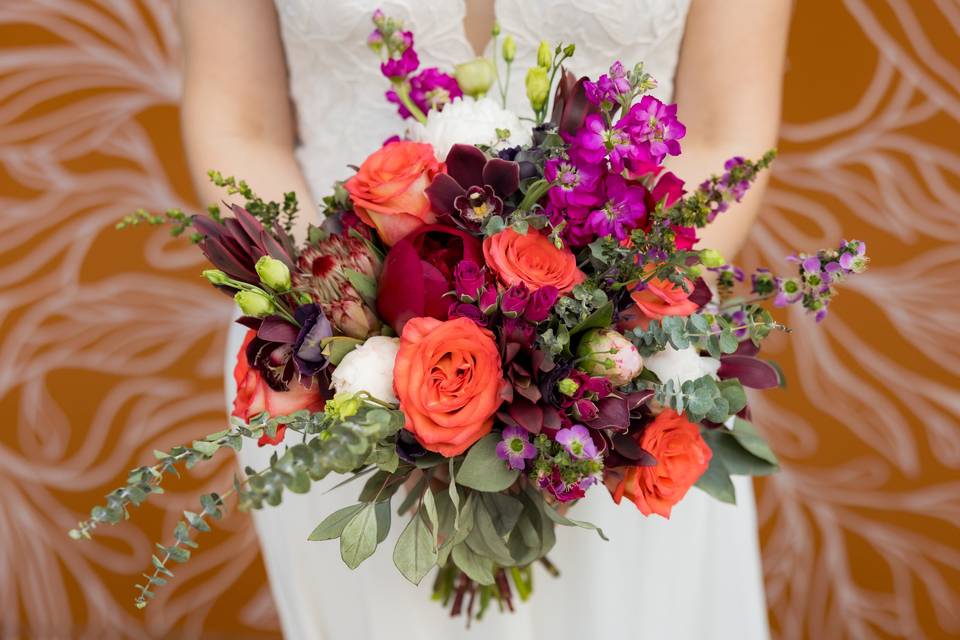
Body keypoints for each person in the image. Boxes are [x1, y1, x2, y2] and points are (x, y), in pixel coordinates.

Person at [178, 1, 792, 638]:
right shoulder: (339, 344)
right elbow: (239, 122)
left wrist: (592, 328)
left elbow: (726, 135)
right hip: (334, 372)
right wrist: (344, 325)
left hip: (626, 374)